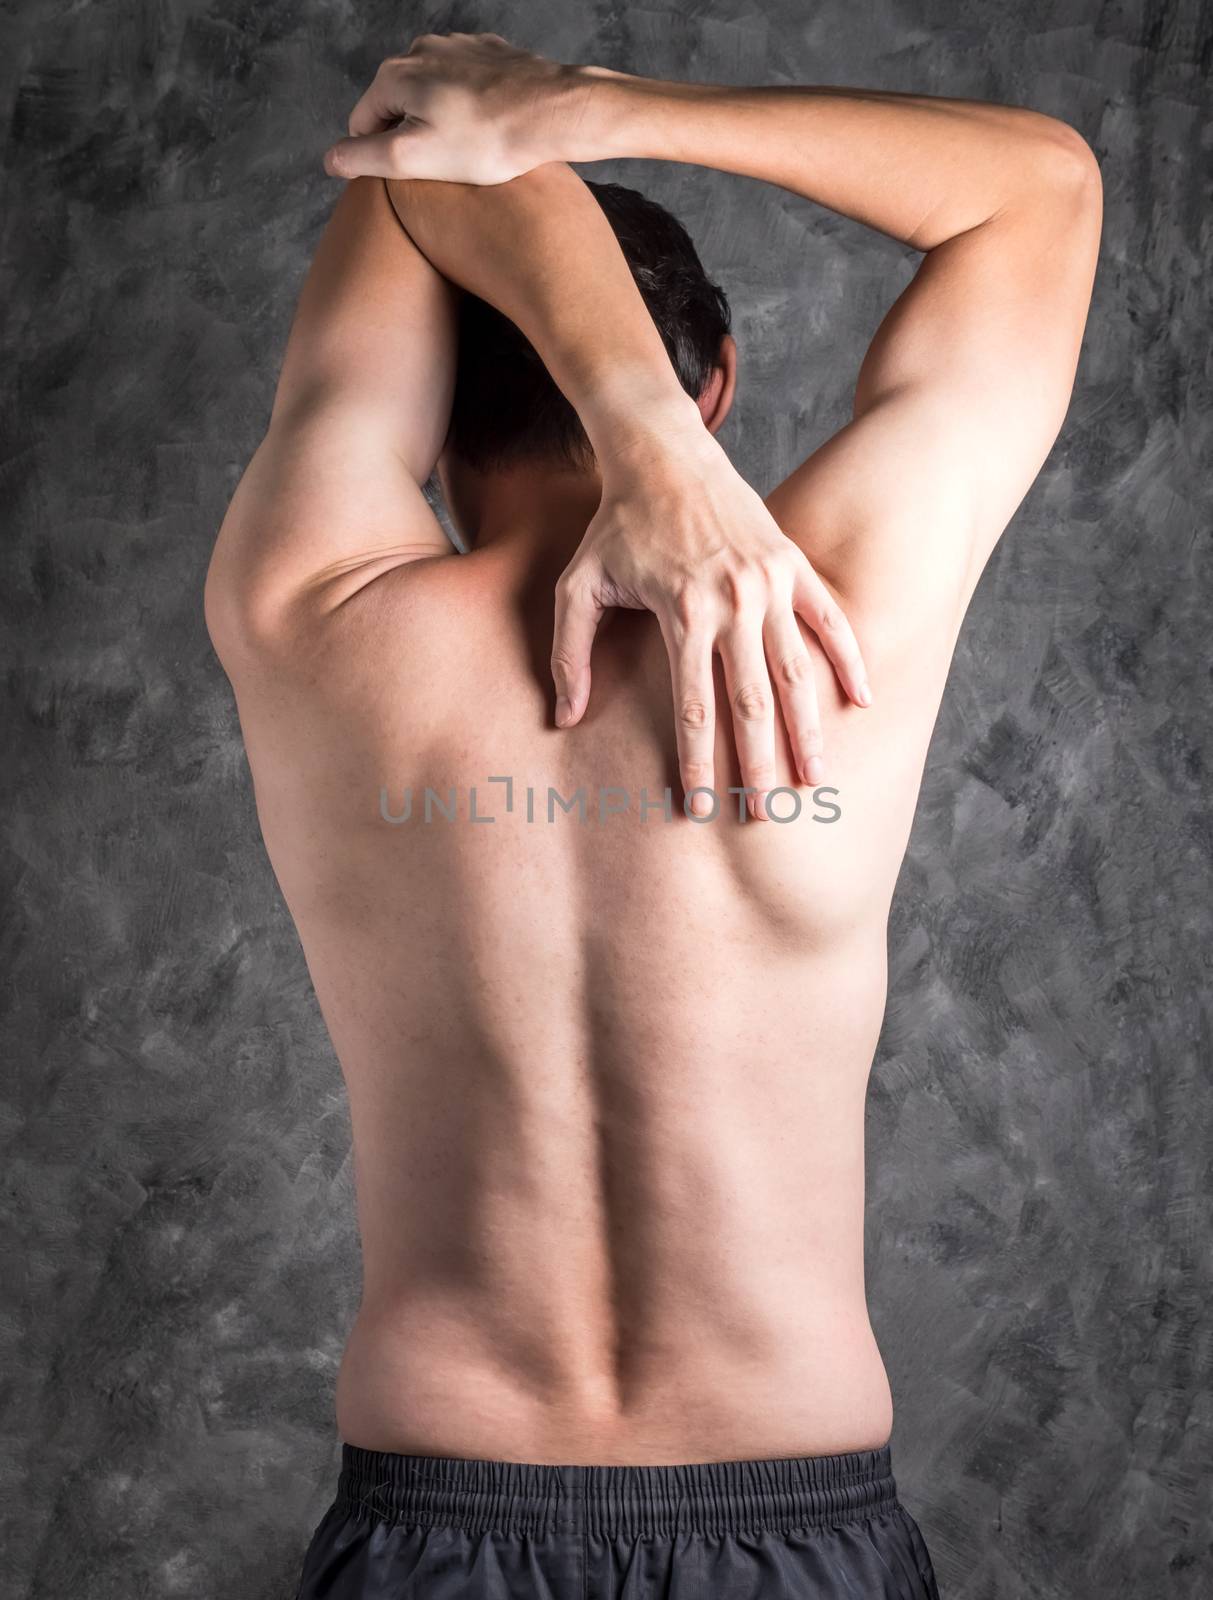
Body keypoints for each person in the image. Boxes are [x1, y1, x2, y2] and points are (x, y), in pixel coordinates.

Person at [204, 33, 1100, 1600]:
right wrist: (616, 119)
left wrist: (627, 422)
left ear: (424, 405)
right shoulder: (838, 626)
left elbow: (414, 158)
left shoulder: (313, 618)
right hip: (796, 1512)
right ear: (724, 383)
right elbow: (1039, 191)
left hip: (436, 1513)